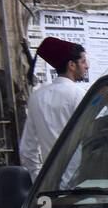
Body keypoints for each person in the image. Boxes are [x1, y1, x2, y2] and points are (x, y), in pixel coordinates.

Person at [19, 37, 90, 179]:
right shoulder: (79, 95)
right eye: (83, 61)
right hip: (79, 183)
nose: (87, 66)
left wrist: (37, 179)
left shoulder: (37, 97)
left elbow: (27, 150)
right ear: (71, 65)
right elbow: (89, 141)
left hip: (49, 184)